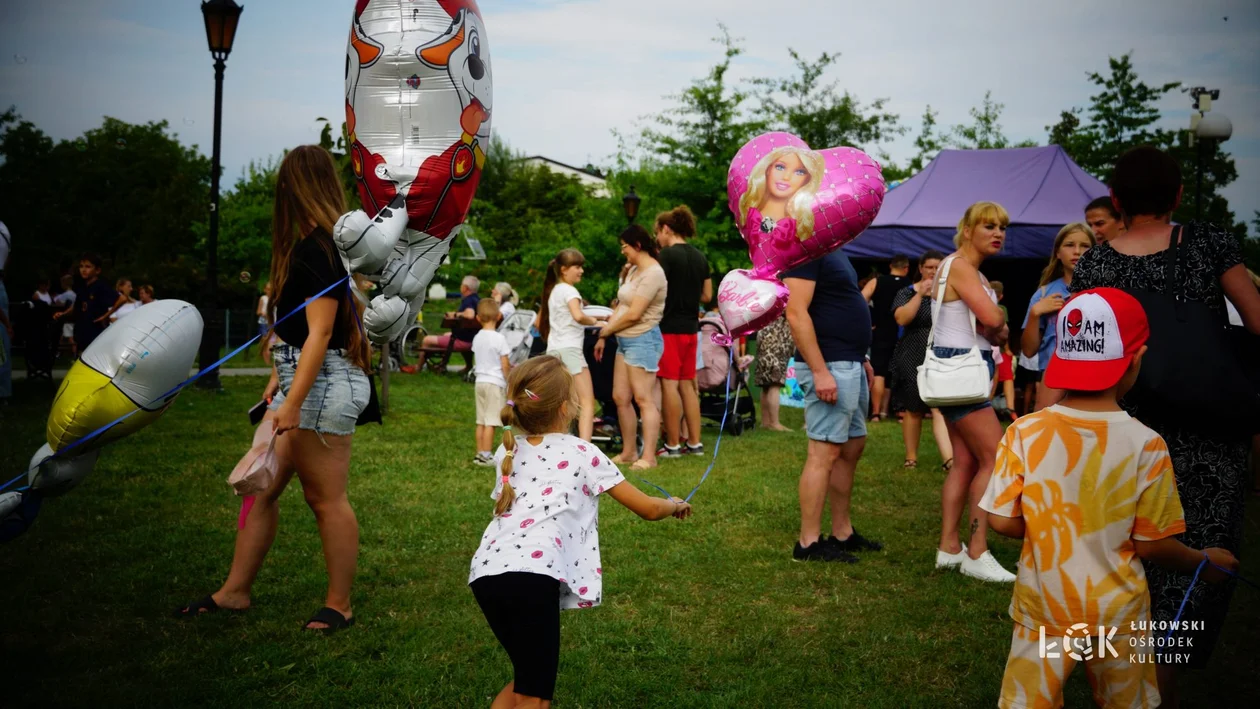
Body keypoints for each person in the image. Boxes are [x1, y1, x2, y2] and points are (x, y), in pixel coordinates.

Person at [982, 287, 1239, 709]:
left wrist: (1051, 528)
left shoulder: (1024, 432)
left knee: (1031, 701)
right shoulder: (1147, 445)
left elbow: (1002, 521)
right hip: (1119, 617)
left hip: (1046, 608)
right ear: (1135, 359)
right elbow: (1152, 544)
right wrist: (1203, 561)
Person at [1070, 146, 1260, 703]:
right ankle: (1161, 682)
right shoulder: (1209, 242)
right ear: (1177, 194)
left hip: (1127, 430)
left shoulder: (1097, 264)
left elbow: (1087, 355)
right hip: (1212, 431)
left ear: (1117, 200)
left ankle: (1128, 679)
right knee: (1198, 560)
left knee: (1129, 551)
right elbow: (1255, 319)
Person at [176, 145, 372, 633]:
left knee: (324, 498)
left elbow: (323, 334)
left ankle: (339, 605)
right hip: (302, 380)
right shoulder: (313, 246)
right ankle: (234, 592)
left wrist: (294, 400)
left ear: (293, 186)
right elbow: (303, 332)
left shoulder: (319, 249)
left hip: (322, 385)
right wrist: (277, 380)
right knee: (257, 488)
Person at [468, 355, 691, 708]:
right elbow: (648, 508)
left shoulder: (506, 450)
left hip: (486, 574)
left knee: (528, 678)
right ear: (565, 408)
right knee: (535, 695)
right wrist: (675, 505)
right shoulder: (583, 453)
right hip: (531, 577)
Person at [929, 202, 1016, 583]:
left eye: (1002, 227)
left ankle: (950, 548)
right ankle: (976, 552)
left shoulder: (967, 270)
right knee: (994, 458)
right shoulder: (962, 267)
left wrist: (994, 327)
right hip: (962, 372)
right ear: (967, 230)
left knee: (964, 463)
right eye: (988, 226)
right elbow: (994, 320)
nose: (997, 233)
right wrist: (998, 323)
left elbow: (987, 325)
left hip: (958, 372)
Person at [783, 243, 882, 562]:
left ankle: (842, 532)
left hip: (848, 361)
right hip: (830, 365)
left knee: (851, 447)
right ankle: (808, 544)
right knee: (823, 453)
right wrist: (819, 370)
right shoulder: (804, 249)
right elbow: (796, 313)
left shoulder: (832, 249)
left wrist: (861, 357)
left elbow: (839, 305)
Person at [595, 225, 667, 471]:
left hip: (643, 339)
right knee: (620, 397)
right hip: (624, 340)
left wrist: (606, 331)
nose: (622, 251)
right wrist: (606, 334)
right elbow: (622, 306)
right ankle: (628, 451)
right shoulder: (634, 270)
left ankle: (649, 456)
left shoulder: (653, 274)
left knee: (643, 399)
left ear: (637, 245)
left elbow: (635, 314)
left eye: (625, 246)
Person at [654, 205, 712, 458]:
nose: (657, 238)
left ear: (666, 229)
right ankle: (695, 443)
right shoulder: (700, 257)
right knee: (688, 385)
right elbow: (708, 295)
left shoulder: (666, 257)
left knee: (669, 385)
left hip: (669, 329)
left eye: (658, 232)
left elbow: (655, 289)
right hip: (692, 329)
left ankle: (673, 445)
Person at [888, 250, 954, 470]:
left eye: (938, 268)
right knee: (914, 408)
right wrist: (920, 295)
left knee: (939, 407)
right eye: (929, 267)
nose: (933, 272)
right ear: (921, 268)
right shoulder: (907, 292)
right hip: (912, 354)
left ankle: (949, 459)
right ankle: (911, 458)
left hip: (941, 354)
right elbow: (901, 319)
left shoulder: (950, 293)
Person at [1020, 223, 1095, 412]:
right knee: (1050, 433)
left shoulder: (1106, 292)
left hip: (1095, 375)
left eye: (1085, 246)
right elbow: (1028, 351)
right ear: (1058, 253)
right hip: (1053, 376)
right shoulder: (1044, 293)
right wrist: (1035, 314)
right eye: (1069, 245)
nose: (1077, 251)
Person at [539, 249, 605, 441]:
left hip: (554, 350)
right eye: (577, 267)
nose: (581, 271)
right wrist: (596, 322)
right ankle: (585, 445)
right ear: (564, 270)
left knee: (562, 400)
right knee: (587, 401)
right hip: (571, 350)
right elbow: (577, 316)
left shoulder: (554, 291)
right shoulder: (570, 291)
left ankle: (558, 438)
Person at [861, 254, 911, 422]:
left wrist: (870, 320)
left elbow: (860, 300)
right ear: (906, 268)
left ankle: (875, 413)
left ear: (890, 266)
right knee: (898, 374)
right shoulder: (911, 285)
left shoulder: (877, 282)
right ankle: (896, 412)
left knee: (879, 373)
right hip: (903, 333)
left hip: (881, 332)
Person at [472, 299, 512, 466]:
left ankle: (479, 453)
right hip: (495, 383)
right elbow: (505, 364)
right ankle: (487, 455)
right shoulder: (499, 338)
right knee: (491, 422)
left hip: (479, 381)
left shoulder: (477, 337)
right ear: (499, 316)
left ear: (477, 318)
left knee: (481, 420)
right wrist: (509, 379)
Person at [54, 253, 116, 355]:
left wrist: (105, 316)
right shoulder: (82, 287)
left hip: (95, 331)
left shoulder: (101, 286)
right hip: (82, 329)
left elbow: (121, 299)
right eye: (81, 266)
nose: (83, 269)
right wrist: (63, 314)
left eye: (88, 267)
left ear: (97, 270)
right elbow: (76, 305)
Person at [418, 275, 480, 370]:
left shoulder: (469, 300)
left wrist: (454, 314)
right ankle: (467, 366)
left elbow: (470, 314)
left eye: (461, 285)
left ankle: (418, 368)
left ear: (465, 288)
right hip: (471, 338)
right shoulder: (477, 299)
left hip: (464, 340)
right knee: (447, 334)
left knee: (427, 340)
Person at [753, 313, 794, 431]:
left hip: (764, 332)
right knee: (774, 383)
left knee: (765, 383)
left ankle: (766, 422)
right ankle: (774, 423)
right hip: (777, 335)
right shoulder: (785, 295)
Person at [988, 281, 1017, 422]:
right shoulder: (1001, 309)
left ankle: (988, 404)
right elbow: (1004, 331)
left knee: (993, 376)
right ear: (1001, 296)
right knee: (1006, 377)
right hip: (998, 349)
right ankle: (1010, 408)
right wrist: (1007, 349)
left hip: (985, 348)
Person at [52, 274, 76, 358]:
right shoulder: (74, 294)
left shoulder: (66, 295)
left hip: (67, 318)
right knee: (63, 337)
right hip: (71, 318)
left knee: (70, 338)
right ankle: (57, 352)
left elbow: (57, 301)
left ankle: (75, 354)